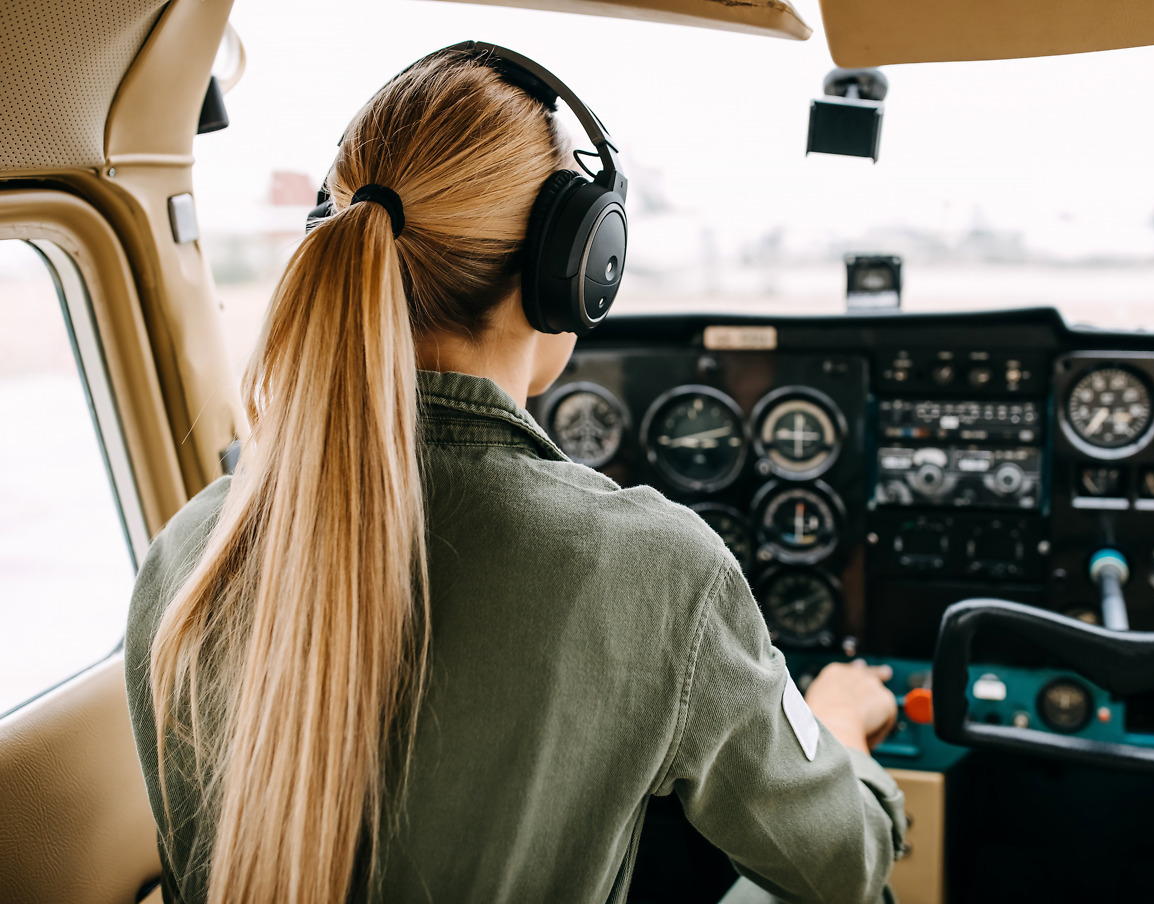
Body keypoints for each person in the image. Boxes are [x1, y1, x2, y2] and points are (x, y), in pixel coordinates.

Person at [124, 44, 904, 904]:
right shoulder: (656, 569)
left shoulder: (187, 552)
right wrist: (839, 729)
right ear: (572, 268)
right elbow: (842, 865)